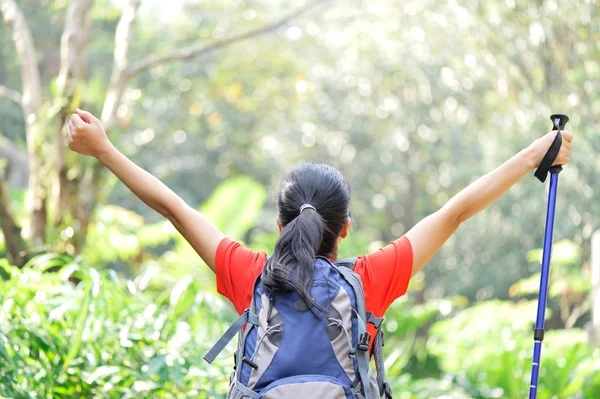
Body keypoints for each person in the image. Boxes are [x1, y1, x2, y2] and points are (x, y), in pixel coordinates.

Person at [67, 108, 572, 393]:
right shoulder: (370, 282)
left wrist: (104, 149)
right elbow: (456, 211)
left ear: (281, 225)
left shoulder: (251, 276)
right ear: (345, 229)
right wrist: (535, 152)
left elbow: (174, 208)